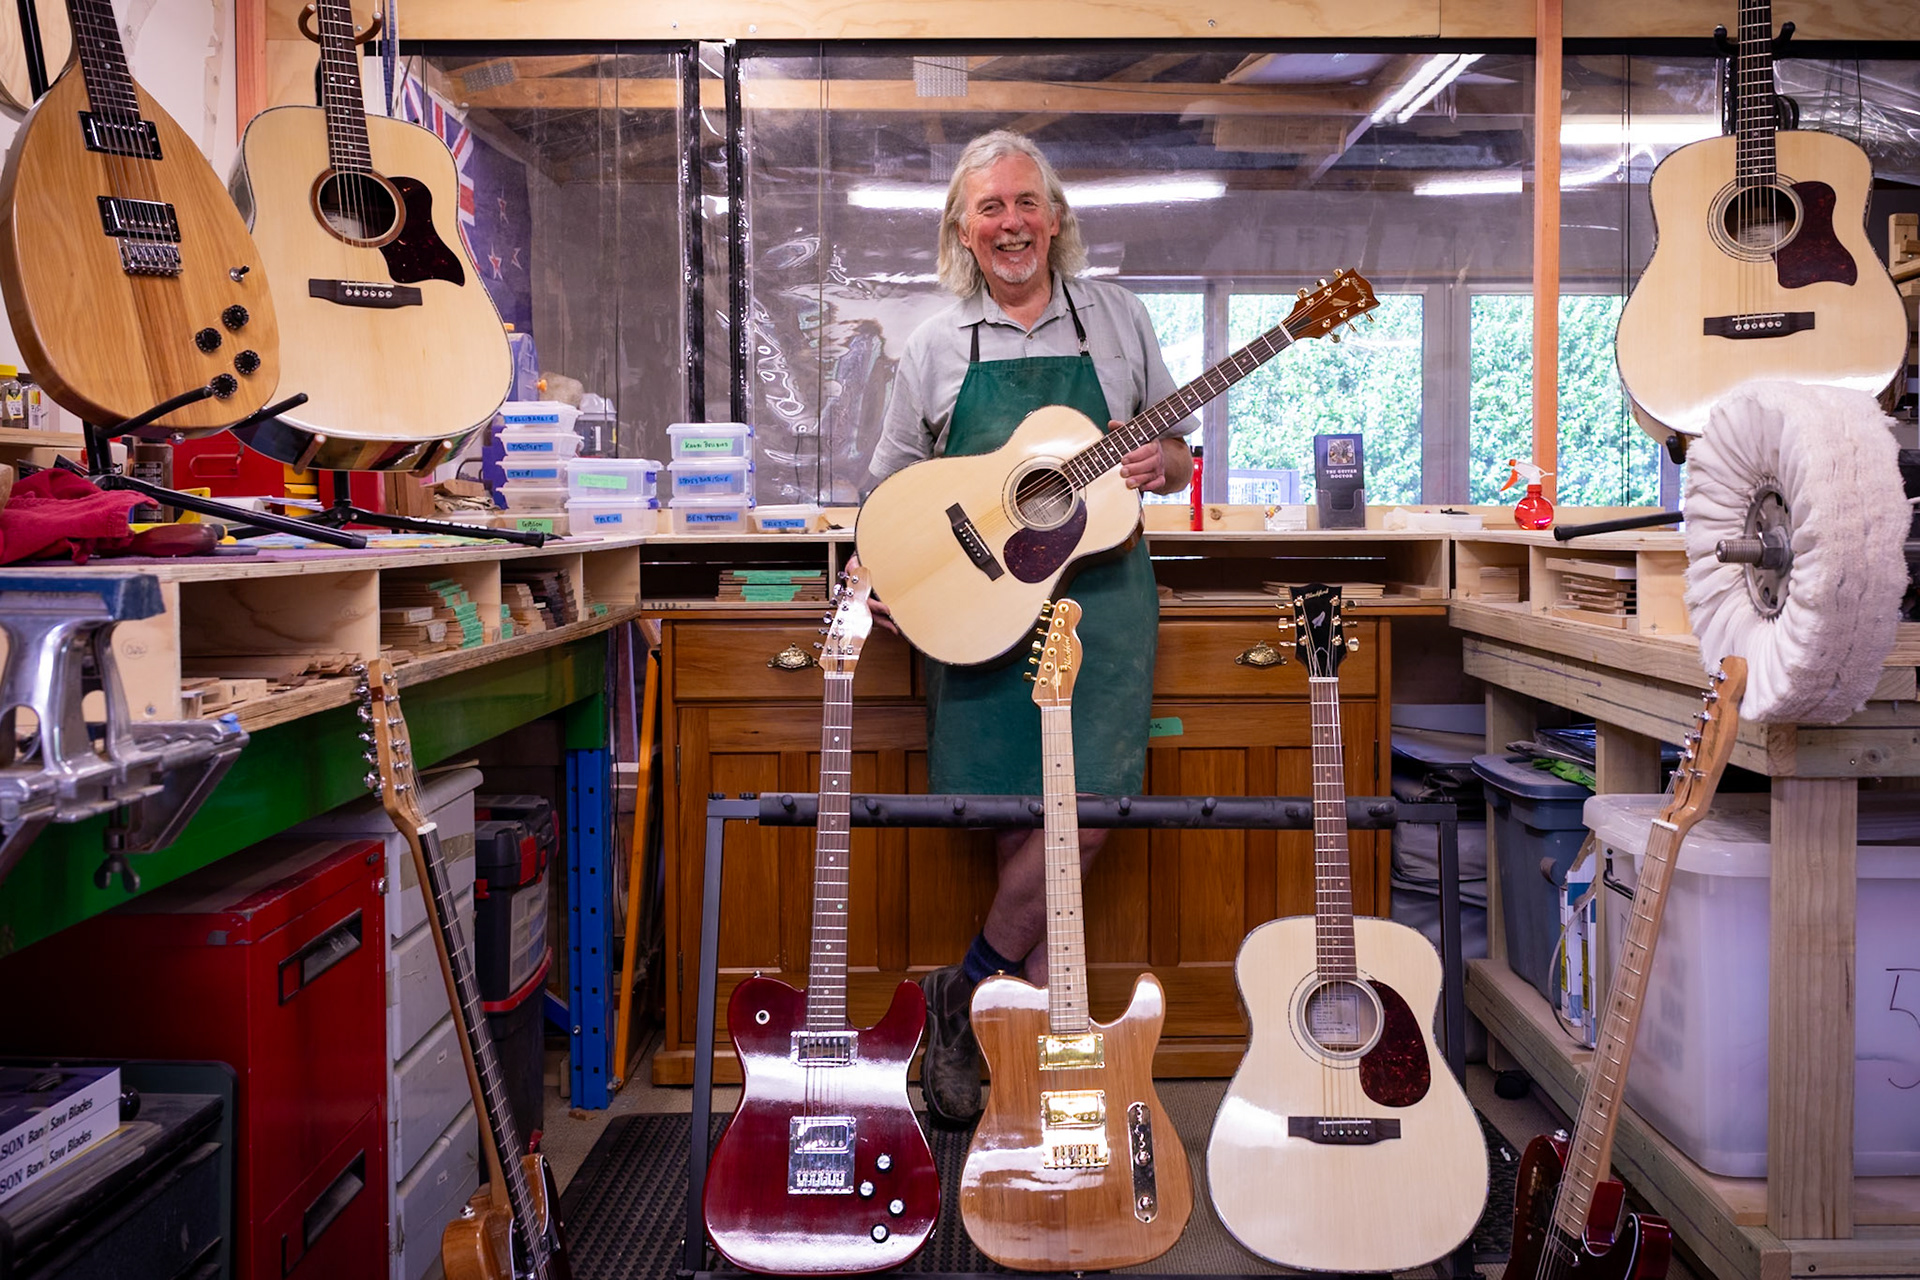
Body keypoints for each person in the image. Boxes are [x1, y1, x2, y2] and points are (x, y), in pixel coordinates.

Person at [865, 129, 1193, 1126]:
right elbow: (889, 486)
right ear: (962, 229)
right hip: (979, 600)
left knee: (1083, 817)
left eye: (1025, 203)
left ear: (1054, 217)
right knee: (1018, 820)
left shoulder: (1121, 320)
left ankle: (964, 990)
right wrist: (882, 563)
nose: (1010, 223)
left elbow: (1178, 457)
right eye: (989, 207)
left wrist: (1162, 463)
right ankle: (1049, 1084)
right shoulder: (931, 343)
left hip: (1104, 602)